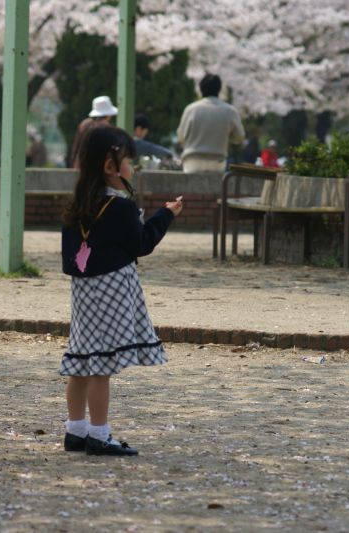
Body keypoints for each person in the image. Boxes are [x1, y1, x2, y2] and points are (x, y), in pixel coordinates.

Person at [60, 126, 182, 456]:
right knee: (102, 364)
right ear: (110, 166)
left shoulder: (77, 204)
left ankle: (75, 430)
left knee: (82, 357)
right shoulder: (122, 207)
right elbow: (141, 244)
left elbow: (70, 257)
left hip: (84, 289)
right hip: (113, 287)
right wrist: (165, 216)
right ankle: (100, 434)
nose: (132, 168)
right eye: (128, 161)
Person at [176, 74, 244, 173]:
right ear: (219, 89)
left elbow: (181, 137)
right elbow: (239, 138)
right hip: (217, 160)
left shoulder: (191, 109)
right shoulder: (230, 111)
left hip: (193, 159)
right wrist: (227, 136)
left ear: (201, 88)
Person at [70, 95, 118, 168]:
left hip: (80, 167)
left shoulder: (84, 124)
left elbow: (75, 148)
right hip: (96, 171)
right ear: (108, 115)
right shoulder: (107, 128)